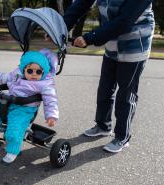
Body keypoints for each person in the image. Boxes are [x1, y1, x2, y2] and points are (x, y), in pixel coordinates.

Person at [63, 0, 155, 153]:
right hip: (112, 44)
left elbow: (124, 21)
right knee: (105, 88)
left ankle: (122, 136)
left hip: (135, 45)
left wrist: (90, 37)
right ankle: (103, 126)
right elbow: (80, 5)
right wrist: (58, 28)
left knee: (126, 94)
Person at [0, 49, 59, 164]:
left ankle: (12, 150)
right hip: (8, 103)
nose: (34, 74)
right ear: (24, 69)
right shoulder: (18, 74)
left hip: (24, 109)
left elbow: (51, 99)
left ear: (44, 71)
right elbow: (7, 77)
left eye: (38, 72)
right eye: (30, 70)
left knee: (14, 131)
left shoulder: (45, 84)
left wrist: (51, 115)